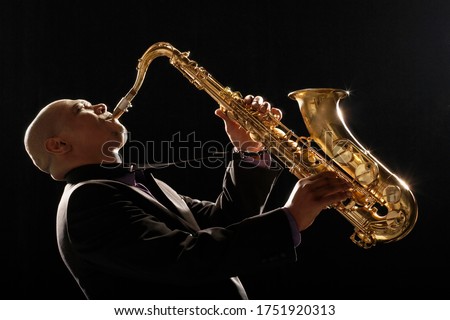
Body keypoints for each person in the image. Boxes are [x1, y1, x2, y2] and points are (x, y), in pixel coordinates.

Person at [24, 94, 350, 299]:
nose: (101, 106)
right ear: (58, 145)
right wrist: (290, 218)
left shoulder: (131, 184)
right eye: (82, 108)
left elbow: (222, 221)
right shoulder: (88, 202)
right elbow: (186, 261)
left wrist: (249, 149)